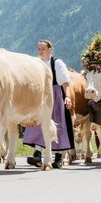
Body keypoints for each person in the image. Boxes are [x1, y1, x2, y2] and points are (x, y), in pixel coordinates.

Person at [24, 40, 73, 169]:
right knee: (38, 123)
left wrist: (67, 97)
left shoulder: (56, 63)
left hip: (55, 95)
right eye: (39, 49)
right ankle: (37, 155)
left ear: (50, 50)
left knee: (57, 124)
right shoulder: (36, 64)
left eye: (43, 49)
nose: (41, 51)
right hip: (40, 96)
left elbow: (65, 83)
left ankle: (58, 157)